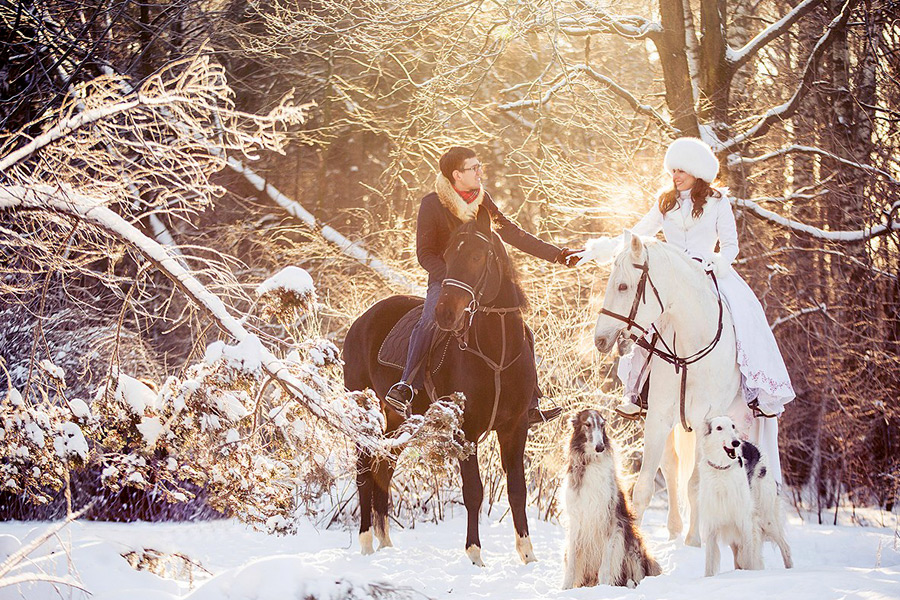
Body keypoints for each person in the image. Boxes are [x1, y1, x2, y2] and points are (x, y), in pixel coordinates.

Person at [613, 137, 794, 482]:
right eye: (672, 170)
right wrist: (607, 246)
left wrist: (717, 262)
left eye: (680, 170)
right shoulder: (664, 202)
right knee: (646, 326)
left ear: (697, 172)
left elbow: (731, 246)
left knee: (743, 318)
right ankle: (636, 391)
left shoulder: (717, 202)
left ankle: (753, 390)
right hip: (672, 281)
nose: (675, 175)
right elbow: (640, 232)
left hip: (710, 274)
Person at [385, 146, 581, 425]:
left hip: (482, 283)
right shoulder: (432, 204)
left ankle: (532, 400)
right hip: (447, 282)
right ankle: (406, 385)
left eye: (480, 166)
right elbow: (425, 254)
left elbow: (512, 232)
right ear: (456, 175)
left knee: (520, 328)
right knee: (430, 320)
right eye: (473, 168)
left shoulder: (482, 200)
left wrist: (557, 254)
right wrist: (452, 276)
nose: (480, 172)